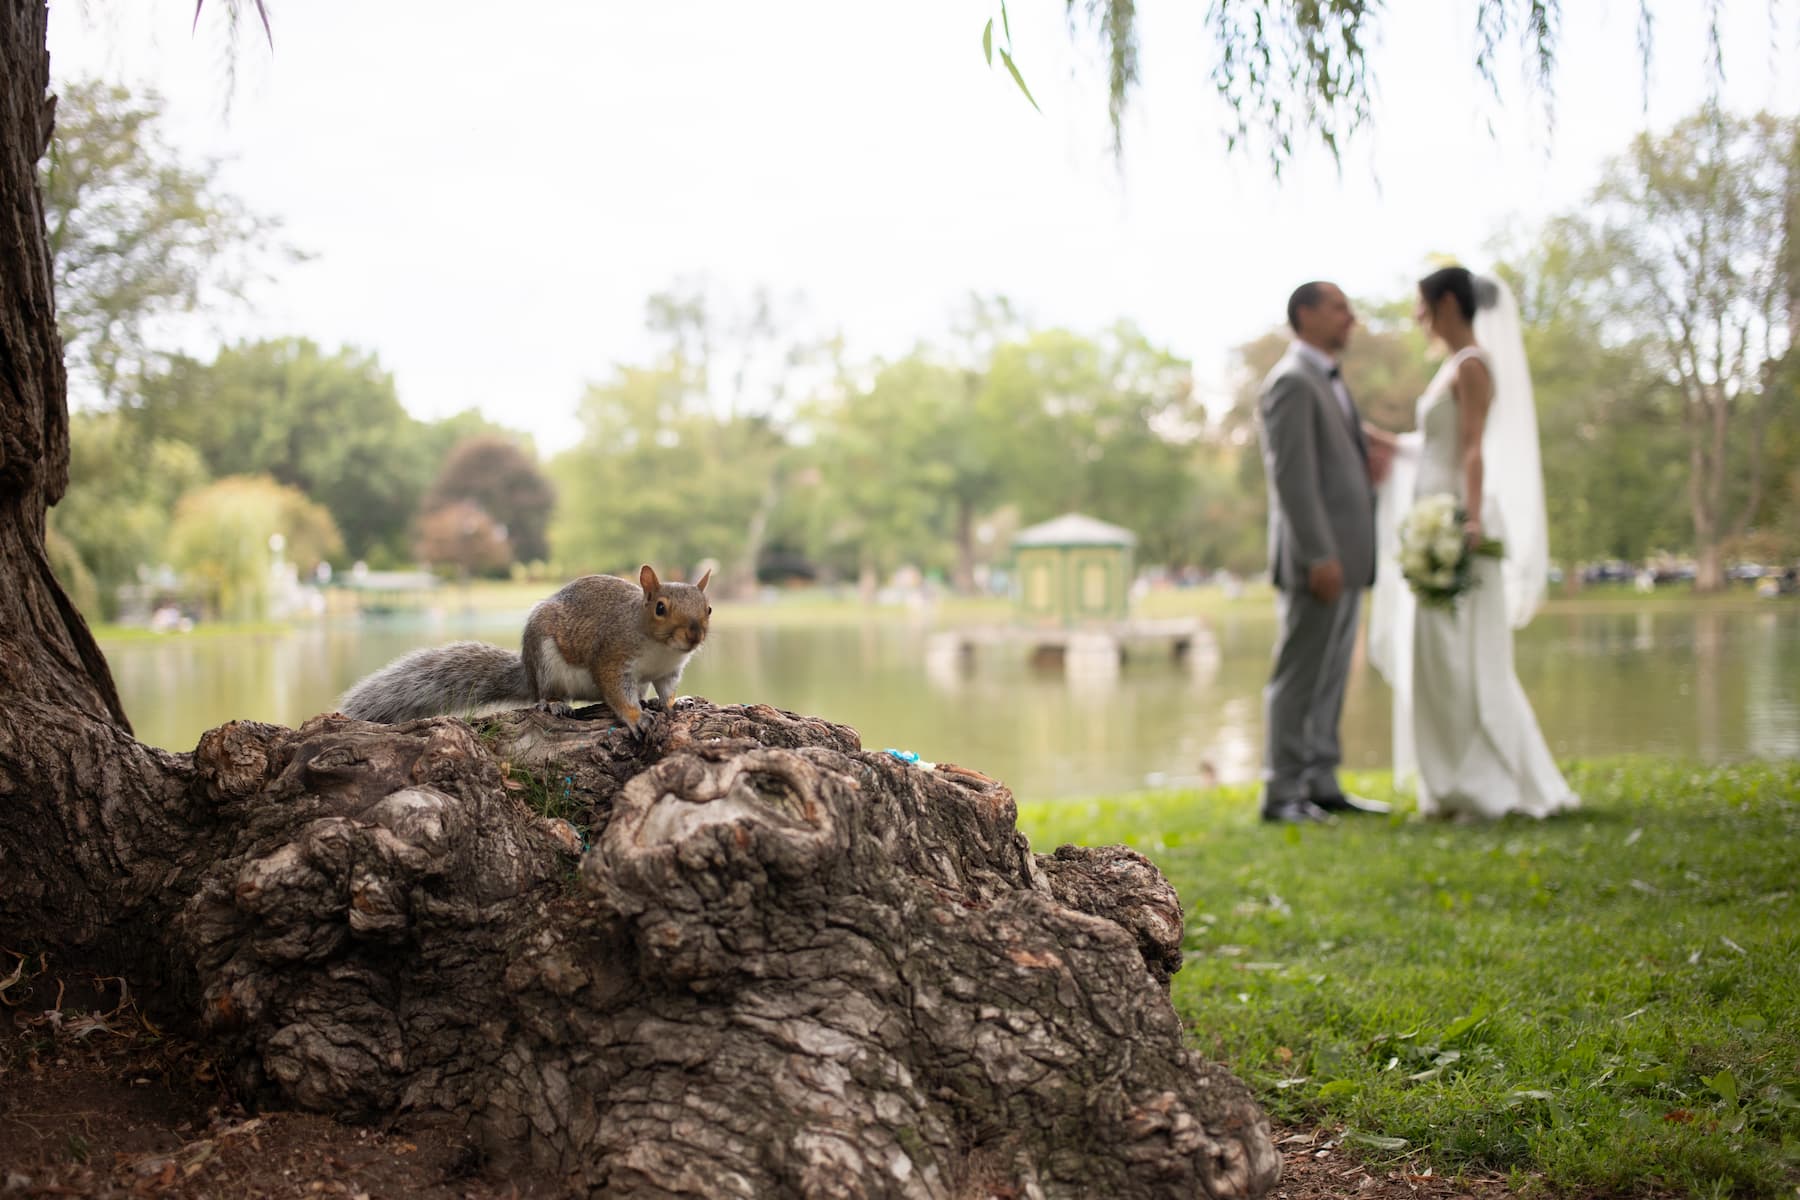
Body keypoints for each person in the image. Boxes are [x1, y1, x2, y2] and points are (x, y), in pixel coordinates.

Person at [1367, 267, 1578, 819]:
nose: (1417, 317)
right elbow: (1433, 444)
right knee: (1437, 659)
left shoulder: (1475, 365)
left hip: (1458, 523)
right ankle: (1449, 782)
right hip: (1431, 519)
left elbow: (1472, 449)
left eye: (1422, 305)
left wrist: (1469, 521)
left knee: (1465, 659)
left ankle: (1485, 782)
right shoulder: (1448, 369)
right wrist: (1381, 440)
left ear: (1449, 302)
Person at [1255, 282, 1393, 823]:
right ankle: (1281, 792)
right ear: (1305, 314)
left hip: (1348, 557)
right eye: (1339, 308)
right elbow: (1293, 478)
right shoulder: (1291, 382)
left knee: (1332, 673)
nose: (1351, 318)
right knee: (1299, 676)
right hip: (1319, 562)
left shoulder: (1327, 380)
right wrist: (1319, 555)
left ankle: (1321, 782)